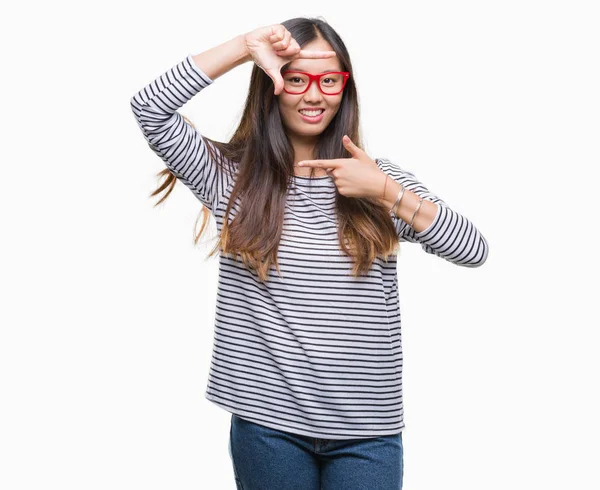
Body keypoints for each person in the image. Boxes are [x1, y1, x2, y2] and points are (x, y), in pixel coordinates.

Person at [130, 17, 488, 490]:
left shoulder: (377, 179)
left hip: (367, 432)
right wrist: (244, 46)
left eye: (329, 80)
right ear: (271, 84)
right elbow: (149, 107)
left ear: (346, 87)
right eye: (295, 78)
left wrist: (385, 191)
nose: (314, 95)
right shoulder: (228, 178)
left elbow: (472, 249)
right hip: (268, 424)